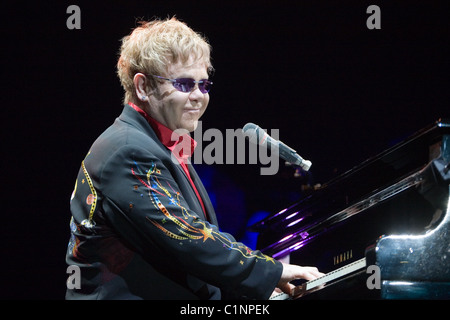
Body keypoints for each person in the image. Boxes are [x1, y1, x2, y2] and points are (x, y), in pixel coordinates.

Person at [66, 17, 323, 300]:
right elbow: (186, 236)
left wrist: (252, 283)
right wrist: (270, 272)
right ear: (143, 87)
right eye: (185, 84)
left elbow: (191, 245)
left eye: (204, 84)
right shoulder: (126, 150)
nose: (199, 96)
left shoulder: (160, 141)